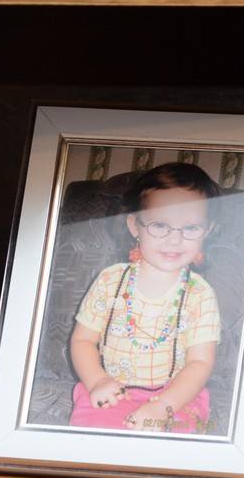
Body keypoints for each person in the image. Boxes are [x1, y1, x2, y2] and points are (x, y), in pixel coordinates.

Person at [68, 162, 221, 433]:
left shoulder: (200, 295)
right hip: (112, 388)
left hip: (176, 396)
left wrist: (163, 406)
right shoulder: (109, 281)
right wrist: (97, 381)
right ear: (134, 226)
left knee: (175, 440)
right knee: (93, 436)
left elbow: (200, 363)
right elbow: (83, 340)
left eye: (190, 228)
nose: (174, 240)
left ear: (206, 231)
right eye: (160, 225)